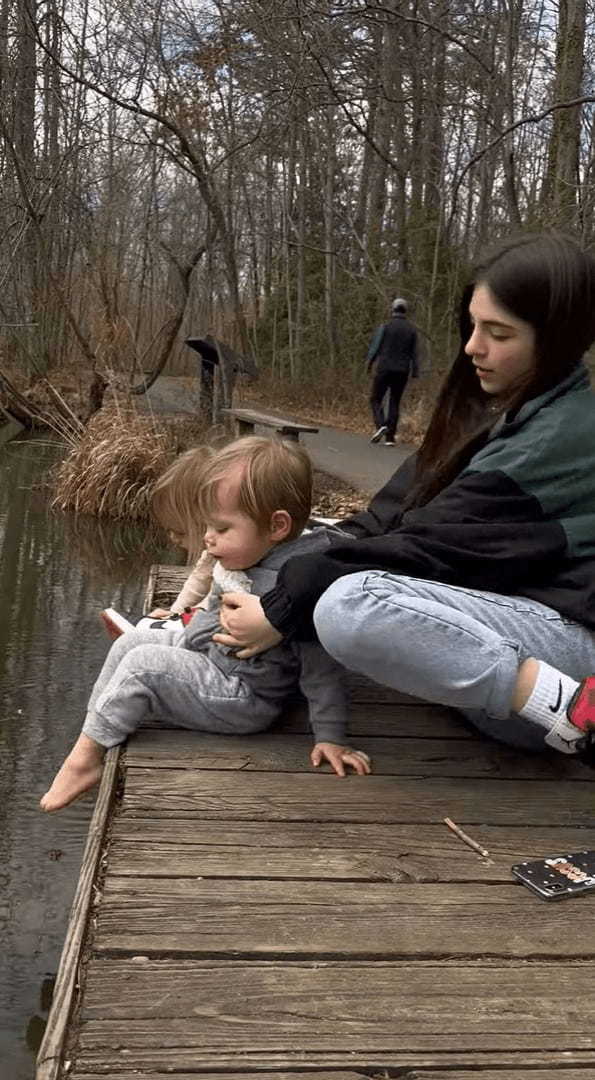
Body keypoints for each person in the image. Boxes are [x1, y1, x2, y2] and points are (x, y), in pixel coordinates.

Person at [214, 233, 595, 763]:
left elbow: (426, 549)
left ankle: (576, 713)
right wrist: (297, 560)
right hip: (499, 663)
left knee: (349, 606)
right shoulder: (500, 410)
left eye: (498, 333)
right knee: (304, 556)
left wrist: (281, 609)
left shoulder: (567, 436)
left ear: (553, 340)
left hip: (572, 654)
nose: (472, 347)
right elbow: (387, 518)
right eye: (473, 324)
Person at [40, 436, 371, 812]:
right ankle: (93, 733)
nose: (206, 538)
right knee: (128, 646)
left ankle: (85, 760)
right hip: (214, 660)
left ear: (277, 526)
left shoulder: (292, 588)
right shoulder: (250, 558)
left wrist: (331, 736)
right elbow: (208, 613)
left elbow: (322, 668)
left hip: (243, 696)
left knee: (141, 666)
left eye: (222, 528)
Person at [367, 297, 419, 445]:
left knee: (375, 398)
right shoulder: (411, 330)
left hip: (384, 368)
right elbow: (415, 353)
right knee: (395, 401)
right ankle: (390, 437)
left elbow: (375, 347)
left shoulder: (385, 326)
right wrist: (415, 371)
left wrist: (369, 364)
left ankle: (381, 425)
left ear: (393, 309)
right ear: (405, 310)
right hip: (402, 371)